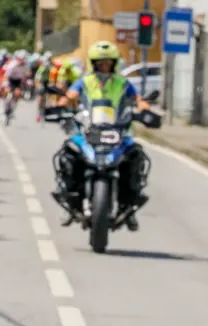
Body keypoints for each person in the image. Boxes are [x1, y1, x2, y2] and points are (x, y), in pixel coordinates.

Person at [55, 42, 151, 228]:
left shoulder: (122, 83)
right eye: (100, 63)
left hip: (118, 130)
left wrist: (145, 109)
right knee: (68, 153)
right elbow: (71, 95)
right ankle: (68, 200)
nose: (104, 66)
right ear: (93, 64)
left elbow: (138, 99)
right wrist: (63, 103)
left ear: (114, 64)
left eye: (108, 63)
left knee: (136, 155)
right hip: (88, 129)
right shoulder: (85, 81)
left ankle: (129, 205)